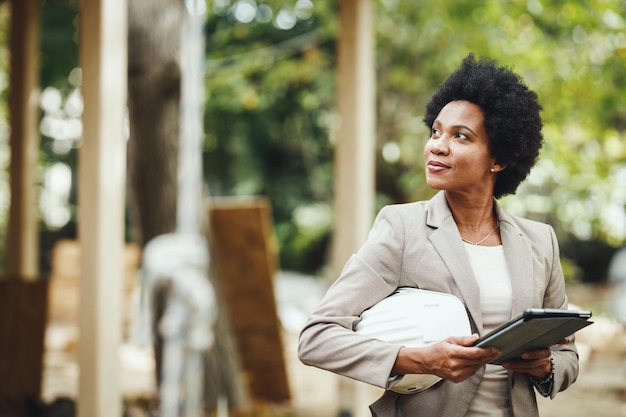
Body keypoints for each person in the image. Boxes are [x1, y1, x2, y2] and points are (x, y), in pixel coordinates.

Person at [297, 53, 580, 417]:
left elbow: (566, 354)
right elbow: (316, 338)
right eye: (436, 131)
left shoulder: (541, 241)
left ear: (499, 159)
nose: (437, 146)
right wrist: (416, 359)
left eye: (460, 136)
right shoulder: (401, 228)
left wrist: (545, 367)